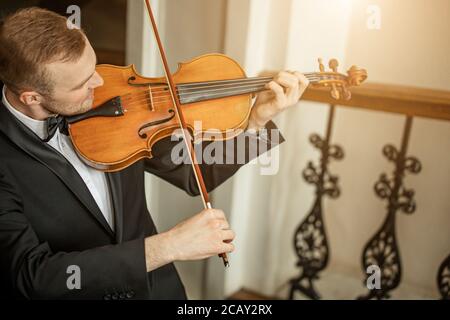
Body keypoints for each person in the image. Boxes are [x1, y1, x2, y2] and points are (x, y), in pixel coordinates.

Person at [0, 7, 309, 299]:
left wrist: (256, 120)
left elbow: (191, 172)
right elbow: (34, 277)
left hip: (158, 290)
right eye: (83, 83)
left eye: (93, 67)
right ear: (32, 97)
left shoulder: (111, 96)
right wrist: (169, 246)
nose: (99, 80)